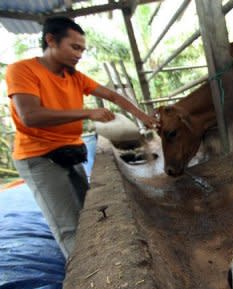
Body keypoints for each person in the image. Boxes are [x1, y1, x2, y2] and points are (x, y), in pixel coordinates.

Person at [5, 16, 159, 260]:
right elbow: (30, 116)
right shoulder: (23, 70)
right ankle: (90, 277)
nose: (79, 54)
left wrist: (143, 117)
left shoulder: (75, 77)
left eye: (82, 50)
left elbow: (113, 96)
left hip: (70, 152)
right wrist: (88, 112)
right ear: (51, 40)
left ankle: (106, 258)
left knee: (89, 211)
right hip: (40, 158)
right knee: (69, 226)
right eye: (74, 47)